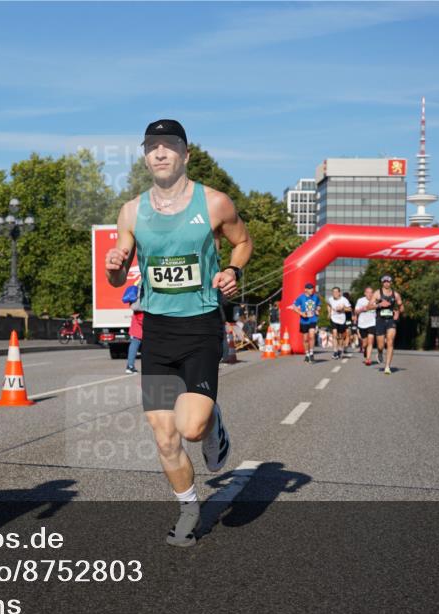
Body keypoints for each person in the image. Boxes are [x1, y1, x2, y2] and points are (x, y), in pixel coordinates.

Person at [105, 119, 252, 547]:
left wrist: (232, 270)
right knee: (164, 435)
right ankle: (189, 508)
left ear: (186, 154)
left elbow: (243, 242)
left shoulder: (215, 203)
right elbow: (118, 280)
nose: (160, 152)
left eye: (169, 145)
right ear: (145, 156)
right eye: (152, 146)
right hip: (157, 330)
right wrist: (115, 268)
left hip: (201, 326)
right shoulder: (131, 211)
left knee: (191, 429)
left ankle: (212, 421)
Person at [372, 275, 403, 374]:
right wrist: (379, 304)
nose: (386, 283)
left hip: (391, 320)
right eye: (385, 281)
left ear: (391, 283)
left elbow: (401, 306)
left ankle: (387, 367)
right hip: (380, 320)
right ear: (382, 282)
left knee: (390, 341)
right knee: (380, 345)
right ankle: (380, 353)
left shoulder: (396, 294)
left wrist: (398, 312)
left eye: (388, 281)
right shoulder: (377, 293)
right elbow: (369, 306)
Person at [288, 283, 321, 363]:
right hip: (304, 320)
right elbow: (294, 306)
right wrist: (301, 313)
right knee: (305, 339)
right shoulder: (301, 297)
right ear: (305, 289)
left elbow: (319, 305)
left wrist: (317, 310)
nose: (311, 290)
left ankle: (312, 353)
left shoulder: (315, 297)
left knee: (312, 336)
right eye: (309, 289)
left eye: (312, 288)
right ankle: (307, 354)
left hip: (313, 319)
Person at [354, 286, 377, 365]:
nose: (370, 294)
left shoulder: (375, 300)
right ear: (365, 293)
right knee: (365, 343)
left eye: (371, 292)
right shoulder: (360, 301)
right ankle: (364, 350)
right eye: (368, 292)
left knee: (371, 341)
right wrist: (361, 309)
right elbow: (356, 312)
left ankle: (368, 359)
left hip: (372, 323)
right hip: (362, 324)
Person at [327, 287, 351, 360]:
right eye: (333, 292)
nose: (335, 294)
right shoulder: (330, 299)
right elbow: (328, 304)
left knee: (340, 336)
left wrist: (342, 309)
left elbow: (350, 309)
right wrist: (329, 313)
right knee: (334, 334)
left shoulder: (344, 300)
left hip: (341, 320)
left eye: (336, 292)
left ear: (339, 293)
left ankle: (340, 349)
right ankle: (335, 352)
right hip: (333, 318)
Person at [126, 300, 143, 374]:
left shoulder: (137, 293)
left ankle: (130, 366)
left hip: (136, 320)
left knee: (135, 343)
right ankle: (130, 366)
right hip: (143, 317)